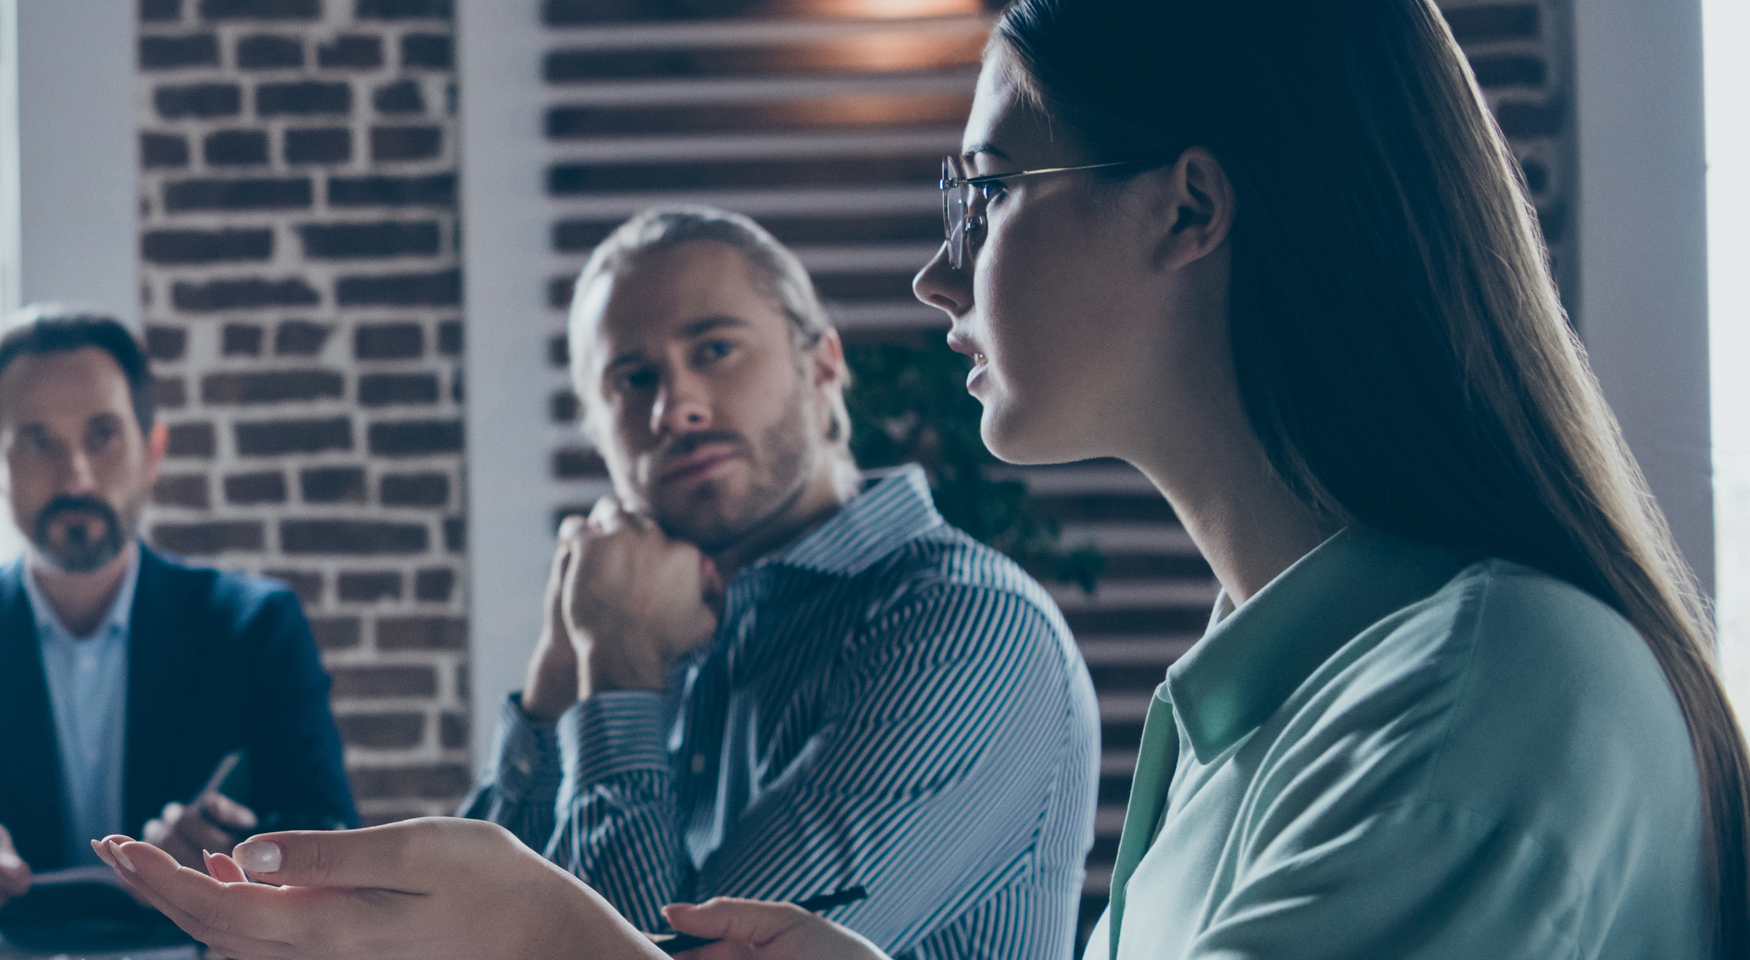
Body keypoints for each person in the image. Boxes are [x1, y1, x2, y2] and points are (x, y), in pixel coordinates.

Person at [87, 0, 1750, 958]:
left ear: (1187, 209)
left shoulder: (1486, 697)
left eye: (985, 185)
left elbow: (641, 930)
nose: (937, 280)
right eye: (624, 379)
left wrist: (588, 795)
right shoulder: (1264, 703)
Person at [455, 205, 1094, 960]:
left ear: (822, 364)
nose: (675, 408)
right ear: (598, 433)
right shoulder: (654, 617)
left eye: (716, 349)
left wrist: (616, 664)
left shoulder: (971, 627)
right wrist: (557, 678)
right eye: (633, 379)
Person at [0, 314, 359, 942]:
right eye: (38, 442)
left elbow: (333, 839)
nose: (76, 477)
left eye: (103, 436)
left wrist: (236, 857)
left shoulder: (256, 629)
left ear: (153, 453)